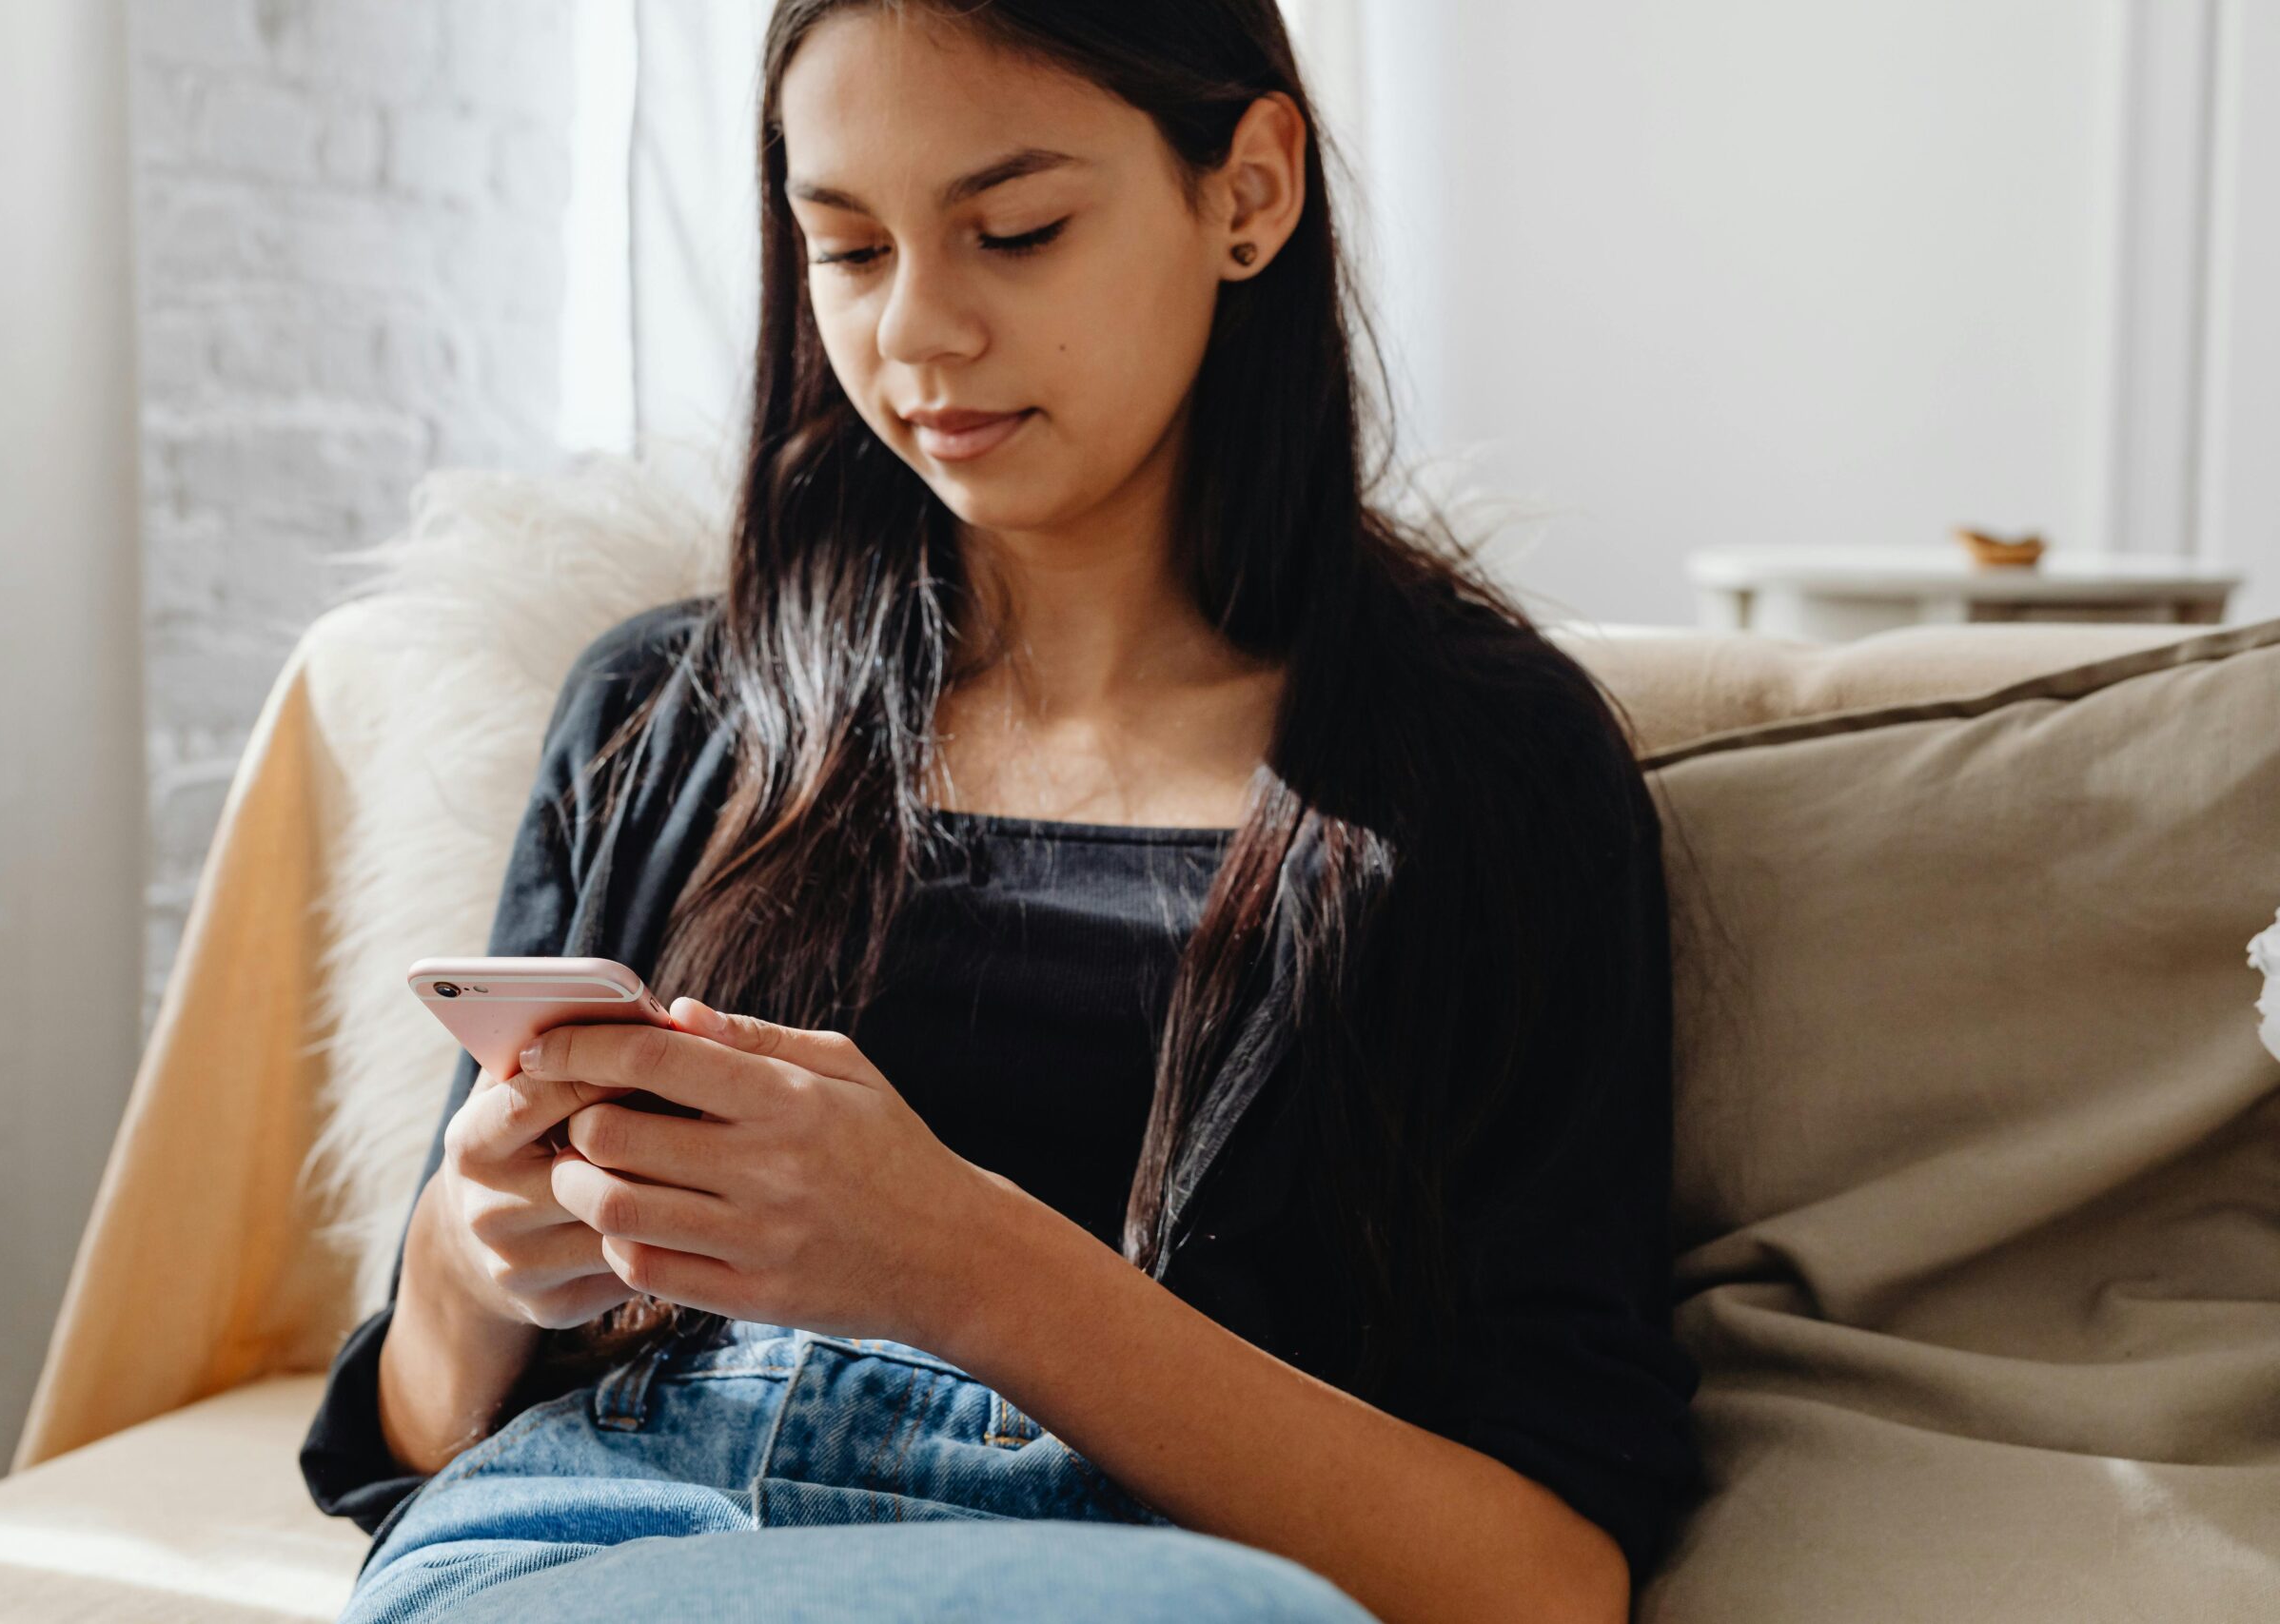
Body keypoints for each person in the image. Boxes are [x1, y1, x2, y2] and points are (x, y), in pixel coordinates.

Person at [301, 3, 1704, 1621]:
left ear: (1247, 193)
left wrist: (960, 1262)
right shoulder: (661, 715)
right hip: (599, 1536)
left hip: (1144, 1577)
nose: (918, 333)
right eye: (846, 248)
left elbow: (1539, 1583)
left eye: (1016, 232)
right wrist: (475, 1263)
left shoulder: (1491, 771)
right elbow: (406, 1444)